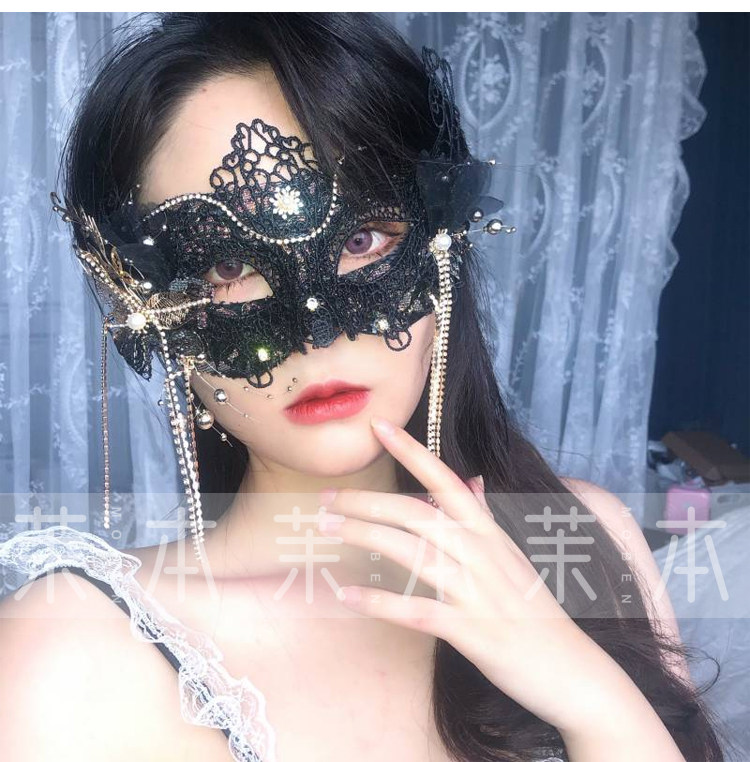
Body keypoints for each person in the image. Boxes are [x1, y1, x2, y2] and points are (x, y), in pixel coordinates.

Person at [0, 12, 727, 762]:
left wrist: (585, 689)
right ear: (145, 307)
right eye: (227, 266)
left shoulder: (587, 535)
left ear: (441, 240)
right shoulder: (74, 653)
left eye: (359, 239)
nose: (317, 337)